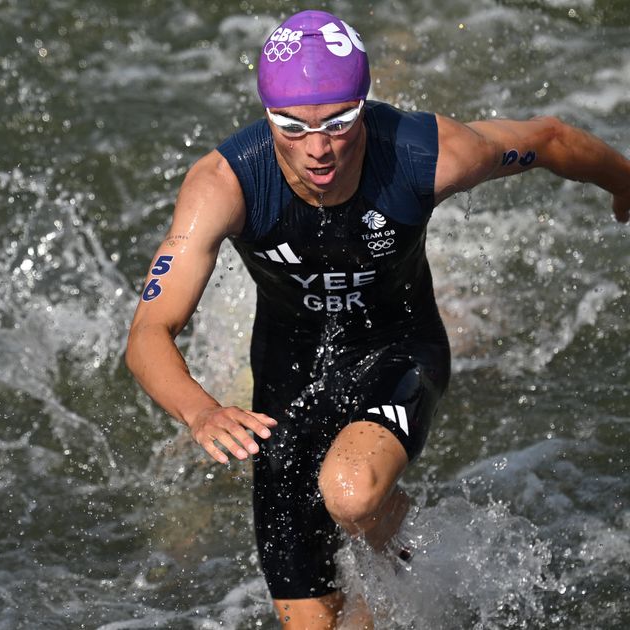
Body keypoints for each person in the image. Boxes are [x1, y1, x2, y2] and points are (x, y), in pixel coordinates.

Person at [125, 9, 630, 629]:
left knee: (350, 490)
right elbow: (149, 332)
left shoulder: (425, 153)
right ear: (267, 116)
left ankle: (401, 543)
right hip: (286, 388)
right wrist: (201, 410)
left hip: (399, 349)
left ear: (363, 105)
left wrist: (624, 181)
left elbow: (548, 139)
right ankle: (395, 574)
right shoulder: (223, 184)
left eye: (338, 122)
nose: (318, 148)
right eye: (292, 126)